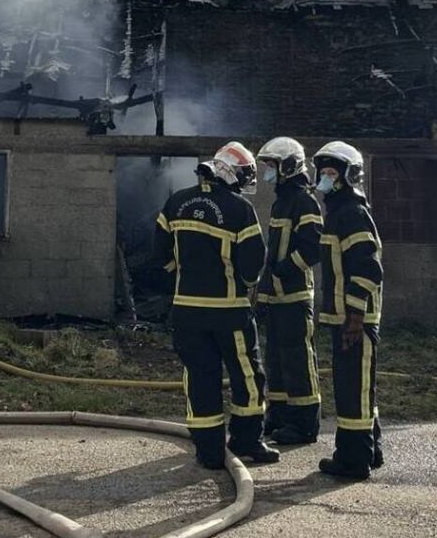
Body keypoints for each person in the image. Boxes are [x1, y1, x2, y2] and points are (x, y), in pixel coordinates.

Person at [151, 142, 279, 469]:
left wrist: (180, 281)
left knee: (199, 378)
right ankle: (247, 442)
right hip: (230, 313)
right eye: (244, 174)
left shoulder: (176, 202)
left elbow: (160, 255)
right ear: (230, 172)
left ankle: (208, 452)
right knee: (247, 377)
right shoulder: (239, 209)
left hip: (186, 312)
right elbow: (252, 266)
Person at [312, 141, 383, 480]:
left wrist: (354, 318)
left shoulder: (351, 214)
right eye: (322, 172)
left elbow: (368, 270)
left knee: (352, 392)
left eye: (332, 173)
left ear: (349, 177)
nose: (325, 179)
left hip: (355, 321)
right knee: (358, 387)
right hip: (344, 318)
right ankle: (371, 450)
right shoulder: (339, 213)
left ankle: (353, 462)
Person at [255, 137, 323, 445]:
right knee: (276, 360)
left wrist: (287, 267)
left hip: (295, 296)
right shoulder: (281, 201)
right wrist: (263, 291)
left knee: (297, 359)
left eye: (272, 165)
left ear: (289, 166)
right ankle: (279, 415)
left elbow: (313, 247)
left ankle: (305, 422)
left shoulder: (304, 201)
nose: (268, 171)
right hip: (275, 295)